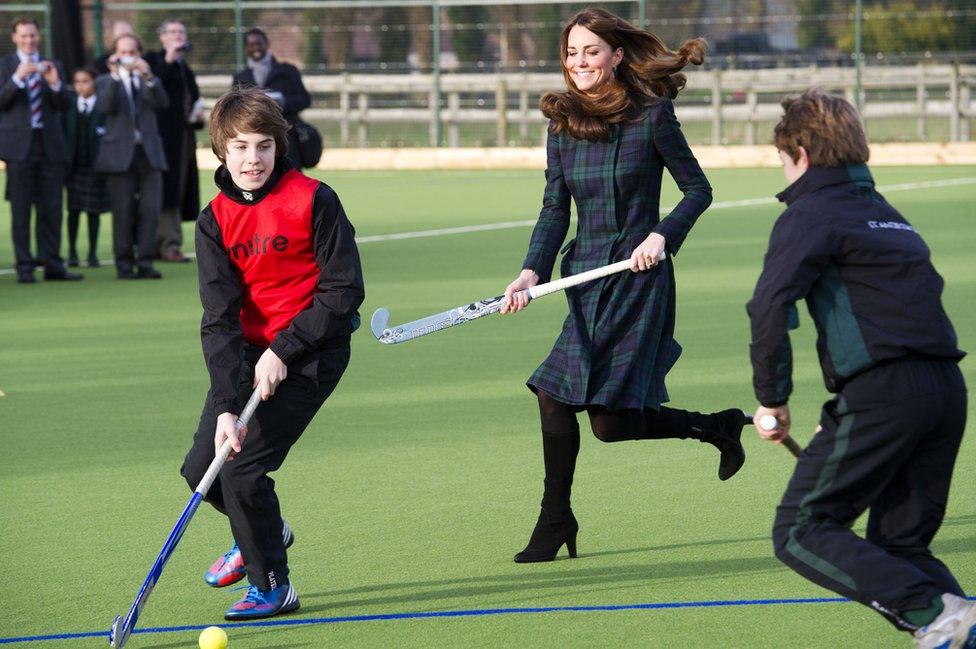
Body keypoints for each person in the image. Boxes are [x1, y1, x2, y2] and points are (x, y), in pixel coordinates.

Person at [500, 8, 748, 564]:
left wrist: (662, 235)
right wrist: (530, 271)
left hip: (640, 279)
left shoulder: (652, 117)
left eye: (590, 51)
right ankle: (714, 428)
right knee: (579, 408)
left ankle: (556, 518)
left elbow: (697, 190)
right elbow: (553, 211)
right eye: (570, 53)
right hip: (585, 279)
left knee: (593, 416)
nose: (579, 62)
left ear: (615, 55)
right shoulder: (561, 125)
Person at [747, 89, 974, 649]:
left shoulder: (811, 213)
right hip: (944, 391)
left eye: (782, 157)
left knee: (801, 529)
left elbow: (770, 307)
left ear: (799, 151)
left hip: (886, 394)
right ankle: (954, 622)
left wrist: (773, 398)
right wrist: (842, 411)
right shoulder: (889, 216)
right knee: (901, 546)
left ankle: (939, 615)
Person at [180, 86, 364, 620]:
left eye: (262, 145)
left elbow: (343, 290)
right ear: (221, 150)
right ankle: (261, 531)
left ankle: (272, 585)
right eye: (239, 147)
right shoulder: (213, 219)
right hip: (247, 354)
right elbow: (218, 319)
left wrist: (284, 347)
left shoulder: (316, 199)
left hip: (313, 351)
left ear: (278, 147)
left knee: (241, 472)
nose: (252, 158)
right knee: (202, 470)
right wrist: (224, 405)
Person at [0, 18, 81, 283]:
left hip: (51, 148)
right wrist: (16, 79)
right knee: (21, 210)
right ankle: (24, 267)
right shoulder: (5, 66)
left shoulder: (53, 65)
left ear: (38, 36)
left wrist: (56, 83)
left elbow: (64, 106)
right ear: (15, 38)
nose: (29, 40)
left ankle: (53, 265)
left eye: (33, 35)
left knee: (52, 208)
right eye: (24, 36)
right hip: (18, 149)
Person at [94, 34, 169, 279]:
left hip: (149, 154)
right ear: (114, 55)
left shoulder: (148, 81)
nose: (128, 57)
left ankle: (145, 261)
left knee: (150, 209)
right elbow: (104, 107)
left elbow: (162, 103)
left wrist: (148, 77)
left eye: (132, 52)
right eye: (123, 52)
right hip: (119, 155)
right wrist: (116, 75)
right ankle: (124, 263)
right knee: (122, 210)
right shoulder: (106, 81)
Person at [146, 18, 202, 263]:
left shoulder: (184, 68)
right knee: (165, 190)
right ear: (162, 37)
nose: (178, 36)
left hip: (183, 139)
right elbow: (152, 86)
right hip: (160, 139)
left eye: (181, 31)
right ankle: (166, 244)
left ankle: (167, 243)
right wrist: (168, 60)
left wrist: (197, 117)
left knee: (178, 189)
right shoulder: (154, 61)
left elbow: (191, 99)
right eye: (173, 32)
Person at [232, 28, 310, 170]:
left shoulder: (288, 71)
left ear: (266, 44)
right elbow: (235, 109)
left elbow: (304, 99)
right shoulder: (241, 78)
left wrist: (283, 102)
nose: (256, 47)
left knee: (290, 179)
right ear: (246, 48)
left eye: (259, 43)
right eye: (251, 44)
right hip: (255, 139)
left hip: (287, 136)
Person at [63, 66, 110, 268]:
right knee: (73, 211)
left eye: (86, 81)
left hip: (95, 168)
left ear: (95, 83)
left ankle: (92, 253)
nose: (81, 86)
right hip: (74, 168)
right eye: (78, 82)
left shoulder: (103, 107)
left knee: (93, 212)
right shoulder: (69, 106)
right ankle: (72, 252)